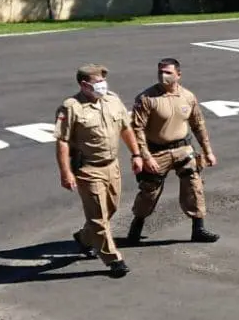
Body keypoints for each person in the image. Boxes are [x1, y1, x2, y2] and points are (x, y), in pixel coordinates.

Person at [53, 63, 138, 279]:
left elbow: (125, 128)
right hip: (88, 169)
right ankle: (113, 259)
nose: (103, 85)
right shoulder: (71, 107)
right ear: (84, 85)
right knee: (98, 216)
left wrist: (136, 154)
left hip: (112, 165)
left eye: (103, 81)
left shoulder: (112, 99)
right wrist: (66, 173)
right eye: (98, 82)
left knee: (112, 207)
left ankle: (84, 237)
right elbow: (62, 142)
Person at [126, 58, 220, 245]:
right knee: (149, 192)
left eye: (168, 72)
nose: (163, 75)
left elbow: (198, 124)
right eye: (160, 71)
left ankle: (198, 229)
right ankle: (136, 228)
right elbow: (137, 130)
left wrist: (208, 151)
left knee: (194, 187)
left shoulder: (188, 96)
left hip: (183, 149)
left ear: (178, 74)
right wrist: (145, 156)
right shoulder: (147, 98)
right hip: (156, 152)